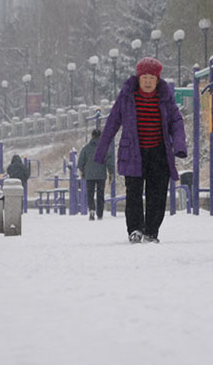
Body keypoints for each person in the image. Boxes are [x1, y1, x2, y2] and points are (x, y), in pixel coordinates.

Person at [93, 56, 187, 244]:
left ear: (157, 79)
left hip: (159, 153)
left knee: (157, 194)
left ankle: (151, 231)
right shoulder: (127, 95)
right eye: (144, 77)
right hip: (133, 152)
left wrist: (180, 145)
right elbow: (112, 122)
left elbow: (176, 121)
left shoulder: (164, 96)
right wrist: (101, 152)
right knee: (134, 193)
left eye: (152, 78)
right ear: (138, 78)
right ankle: (135, 229)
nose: (148, 82)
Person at [78, 128, 115, 220]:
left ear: (92, 136)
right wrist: (111, 173)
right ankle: (100, 213)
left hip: (89, 175)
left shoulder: (86, 148)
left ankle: (91, 210)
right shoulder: (105, 148)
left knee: (90, 193)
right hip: (101, 175)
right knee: (100, 193)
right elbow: (110, 162)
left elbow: (80, 162)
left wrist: (83, 171)